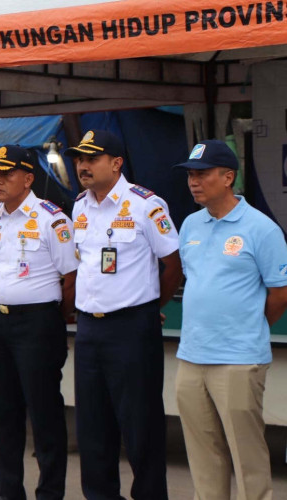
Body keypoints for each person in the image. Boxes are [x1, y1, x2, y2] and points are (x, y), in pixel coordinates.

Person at [66, 130, 182, 500]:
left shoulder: (145, 205)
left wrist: (149, 307)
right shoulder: (79, 206)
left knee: (140, 425)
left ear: (116, 163)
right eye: (79, 159)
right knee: (93, 426)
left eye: (92, 158)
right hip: (88, 330)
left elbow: (173, 265)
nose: (83, 166)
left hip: (132, 329)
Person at [173, 140, 287, 500]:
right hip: (191, 357)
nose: (194, 181)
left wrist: (249, 328)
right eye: (191, 174)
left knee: (247, 456)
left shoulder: (261, 229)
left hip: (238, 360)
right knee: (204, 456)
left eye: (202, 174)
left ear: (228, 177)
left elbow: (280, 293)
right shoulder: (190, 224)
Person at [0, 146, 77, 500]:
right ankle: (8, 491)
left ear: (29, 178)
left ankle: (49, 493)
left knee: (44, 414)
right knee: (4, 414)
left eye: (6, 174)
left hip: (38, 323)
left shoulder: (53, 219)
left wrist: (52, 317)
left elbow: (71, 278)